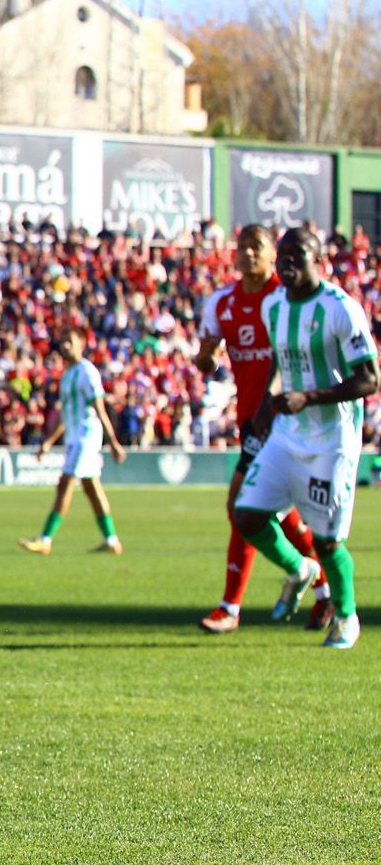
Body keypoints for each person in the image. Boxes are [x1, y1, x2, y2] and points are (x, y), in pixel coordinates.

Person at [232, 227, 374, 650]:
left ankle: (347, 618)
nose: (289, 262)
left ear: (318, 260)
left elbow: (369, 379)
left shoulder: (340, 309)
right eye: (285, 256)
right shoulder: (273, 305)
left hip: (332, 440)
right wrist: (263, 409)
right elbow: (279, 354)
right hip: (287, 434)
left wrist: (308, 396)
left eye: (300, 254)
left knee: (329, 539)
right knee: (248, 515)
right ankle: (299, 569)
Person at [193, 225, 322, 633]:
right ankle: (323, 589)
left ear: (272, 255)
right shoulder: (222, 302)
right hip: (252, 417)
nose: (248, 254)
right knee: (275, 513)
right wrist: (206, 358)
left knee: (242, 506)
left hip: (286, 416)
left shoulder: (286, 298)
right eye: (243, 247)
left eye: (257, 247)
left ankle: (232, 606)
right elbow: (207, 359)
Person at [18, 326, 127, 556]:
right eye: (63, 341)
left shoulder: (88, 372)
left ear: (81, 344)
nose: (65, 345)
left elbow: (100, 409)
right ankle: (112, 540)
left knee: (64, 484)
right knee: (91, 488)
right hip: (73, 437)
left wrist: (113, 442)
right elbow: (65, 416)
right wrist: (49, 442)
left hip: (86, 438)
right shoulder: (67, 375)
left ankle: (45, 539)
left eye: (70, 340)